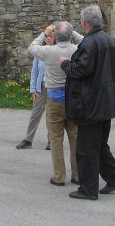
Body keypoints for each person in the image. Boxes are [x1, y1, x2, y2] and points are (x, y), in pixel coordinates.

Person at [60, 5, 115, 200]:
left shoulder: (89, 43)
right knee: (99, 144)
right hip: (105, 102)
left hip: (90, 103)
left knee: (87, 148)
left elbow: (81, 70)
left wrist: (65, 63)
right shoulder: (109, 40)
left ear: (84, 22)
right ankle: (114, 178)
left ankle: (88, 189)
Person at [29, 22, 80, 186]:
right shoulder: (76, 49)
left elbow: (32, 47)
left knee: (56, 139)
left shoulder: (49, 51)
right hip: (73, 99)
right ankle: (77, 175)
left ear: (56, 36)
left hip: (54, 99)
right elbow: (86, 42)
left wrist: (45, 33)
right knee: (75, 138)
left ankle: (59, 176)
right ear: (70, 35)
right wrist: (73, 32)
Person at [16, 25, 53, 150]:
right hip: (41, 87)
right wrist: (33, 90)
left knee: (51, 115)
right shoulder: (39, 52)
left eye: (51, 36)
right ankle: (28, 139)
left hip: (53, 86)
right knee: (35, 114)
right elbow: (34, 72)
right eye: (46, 36)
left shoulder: (57, 51)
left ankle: (51, 140)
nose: (48, 38)